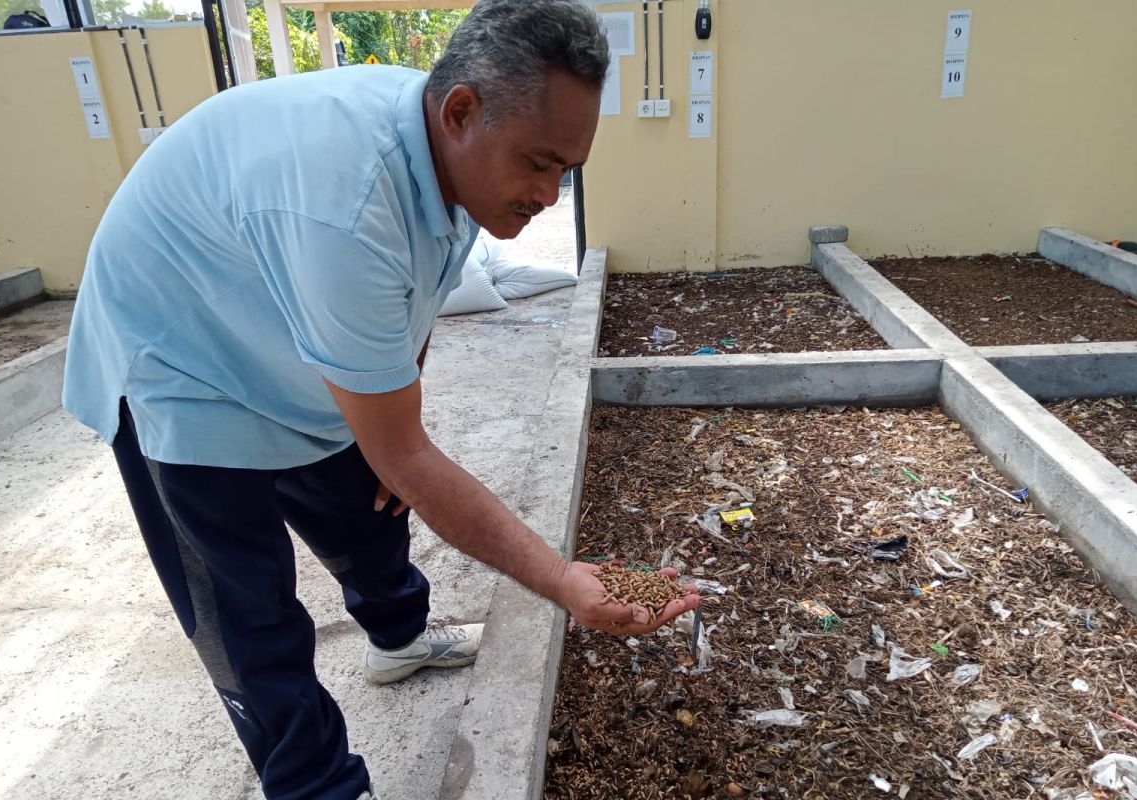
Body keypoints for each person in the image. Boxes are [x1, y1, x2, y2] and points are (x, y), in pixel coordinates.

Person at [61, 1, 701, 797]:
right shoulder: (347, 204)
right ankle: (321, 785)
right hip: (177, 360)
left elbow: (413, 312)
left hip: (277, 319)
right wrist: (560, 577)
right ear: (462, 112)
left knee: (372, 502)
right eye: (539, 163)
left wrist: (396, 444)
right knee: (251, 618)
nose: (549, 191)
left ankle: (398, 638)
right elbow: (408, 453)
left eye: (567, 170)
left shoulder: (452, 154)